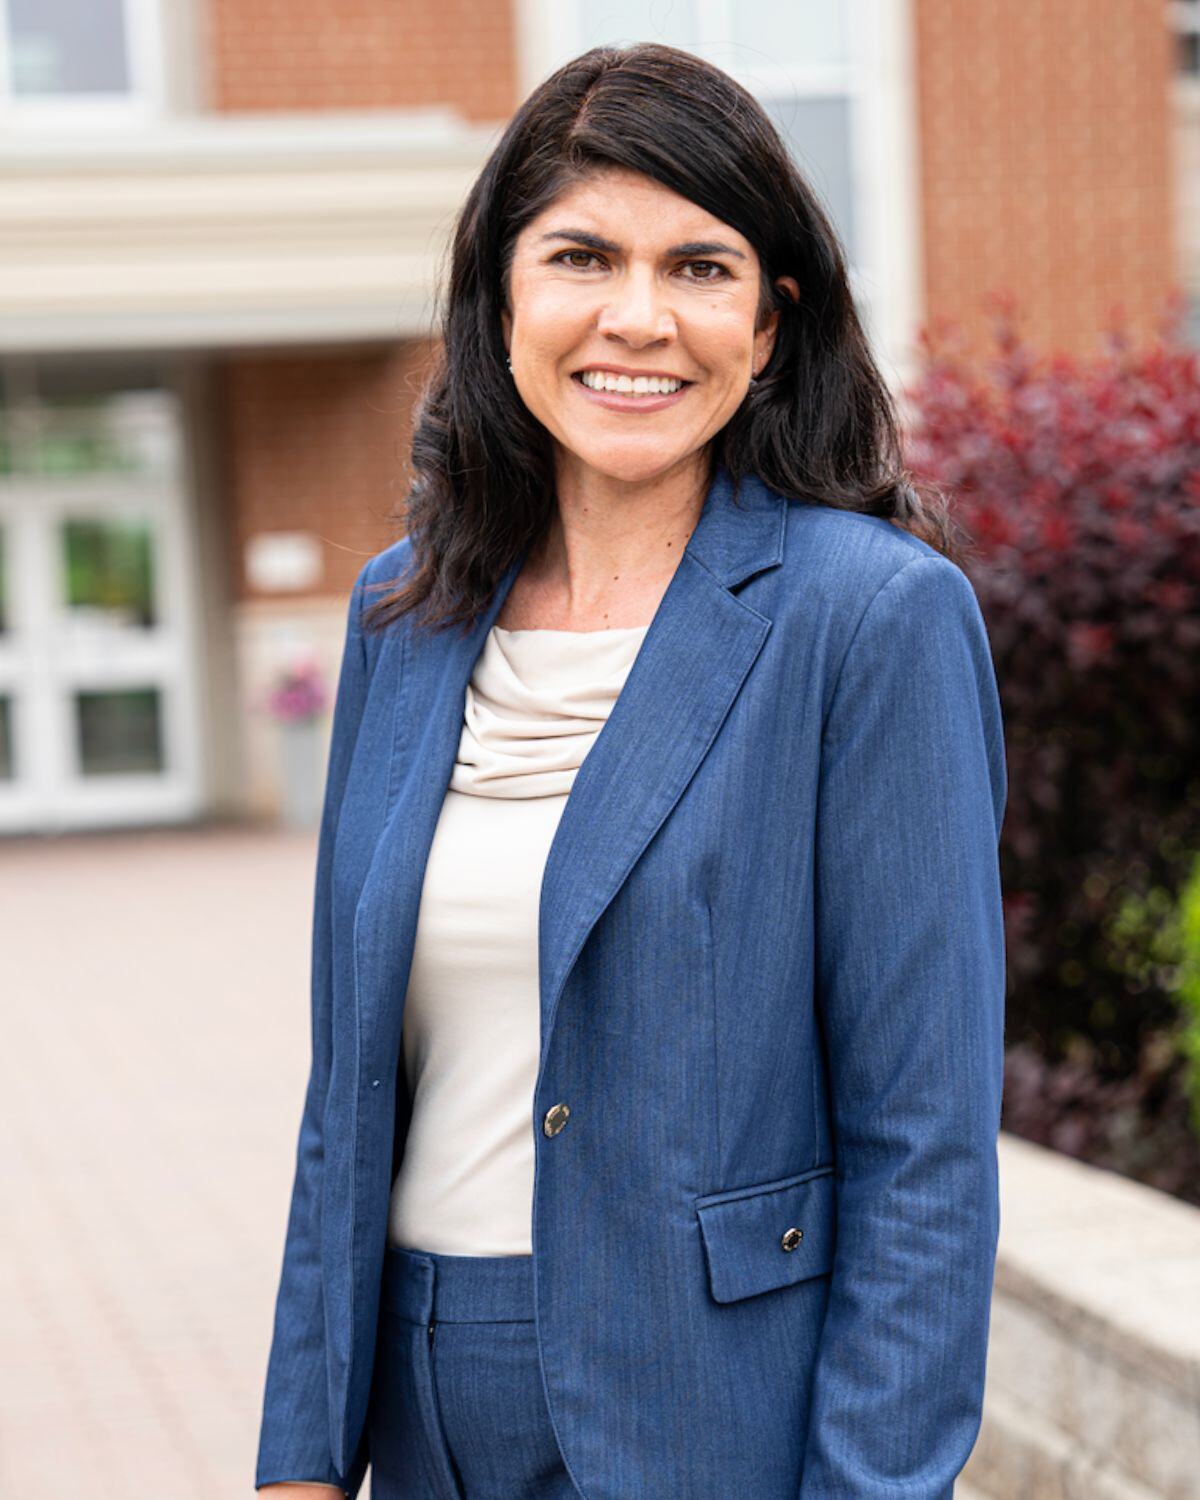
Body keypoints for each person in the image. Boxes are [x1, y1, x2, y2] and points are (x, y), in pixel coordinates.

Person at [256, 40, 1007, 1500]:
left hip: (710, 1407)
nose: (639, 320)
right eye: (583, 257)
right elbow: (347, 1089)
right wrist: (300, 1453)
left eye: (702, 268)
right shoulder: (405, 614)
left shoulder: (870, 619)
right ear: (504, 298)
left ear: (773, 325)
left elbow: (925, 1151)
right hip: (416, 1406)